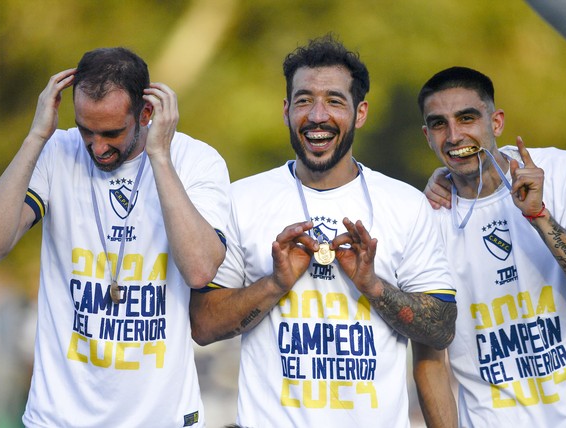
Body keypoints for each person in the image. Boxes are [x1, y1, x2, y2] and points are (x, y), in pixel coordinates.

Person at [188, 35, 457, 428]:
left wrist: (373, 286)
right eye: (303, 100)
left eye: (334, 100)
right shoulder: (241, 199)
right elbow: (203, 327)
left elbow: (442, 329)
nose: (317, 115)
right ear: (285, 110)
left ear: (360, 112)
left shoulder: (405, 204)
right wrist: (275, 283)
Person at [0, 47, 230, 427]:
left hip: (162, 419)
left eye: (112, 132)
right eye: (86, 129)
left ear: (146, 113)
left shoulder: (196, 161)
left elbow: (200, 269)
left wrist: (159, 155)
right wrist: (35, 137)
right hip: (58, 418)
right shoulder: (57, 150)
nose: (97, 146)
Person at [413, 66, 566, 427]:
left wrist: (539, 214)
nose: (454, 135)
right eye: (439, 124)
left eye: (467, 118)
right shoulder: (423, 218)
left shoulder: (560, 171)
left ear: (496, 122)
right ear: (427, 136)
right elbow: (430, 358)